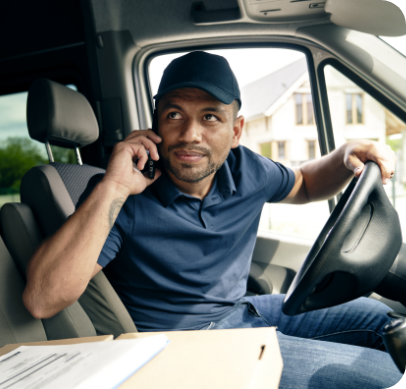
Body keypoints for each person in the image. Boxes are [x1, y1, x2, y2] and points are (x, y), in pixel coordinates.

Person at [23, 51, 403, 387]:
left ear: (235, 130)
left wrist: (345, 154)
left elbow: (303, 183)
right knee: (384, 376)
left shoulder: (247, 169)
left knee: (384, 322)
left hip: (241, 309)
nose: (191, 135)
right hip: (185, 346)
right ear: (155, 124)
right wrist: (114, 186)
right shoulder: (118, 195)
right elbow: (42, 299)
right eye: (174, 115)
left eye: (210, 117)